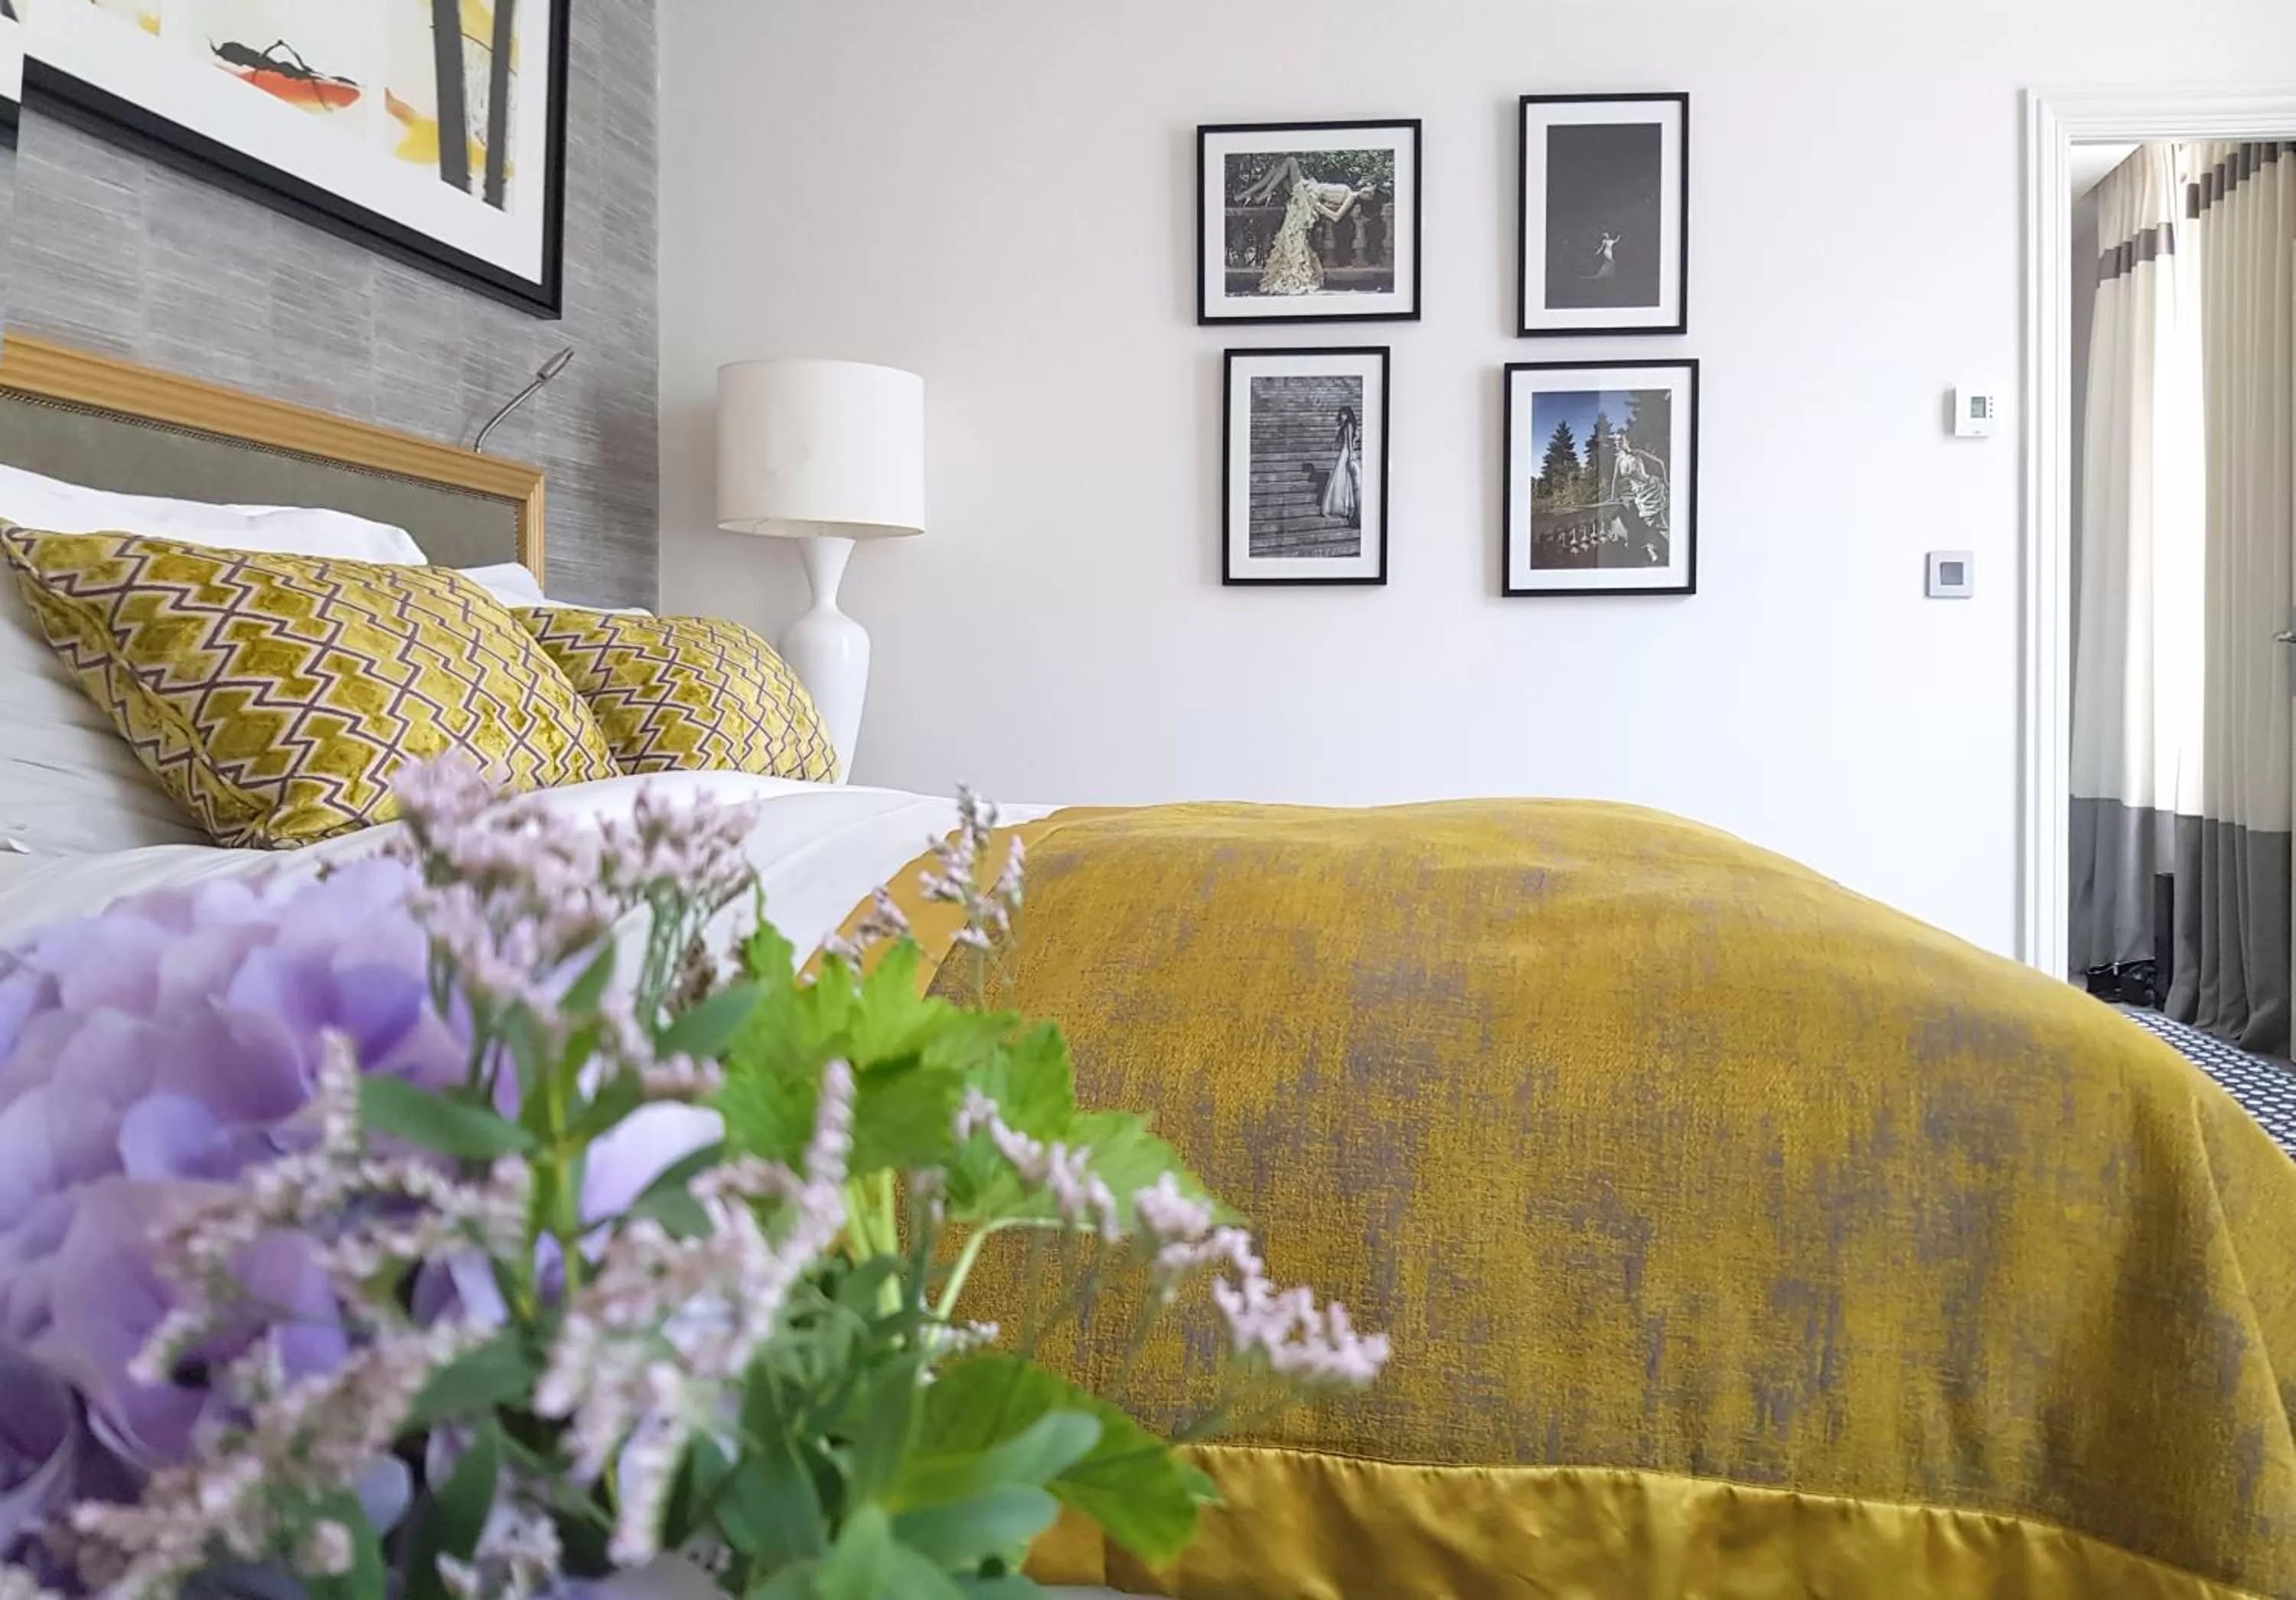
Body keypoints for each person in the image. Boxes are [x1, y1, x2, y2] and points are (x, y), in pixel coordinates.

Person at [1241, 156, 1368, 296]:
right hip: (1308, 189)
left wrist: (1318, 206)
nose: (1368, 192)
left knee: (1290, 161)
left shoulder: (1351, 197)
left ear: (1367, 200)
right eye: (1369, 189)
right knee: (1280, 166)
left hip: (1307, 197)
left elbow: (1335, 217)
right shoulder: (1349, 190)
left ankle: (1261, 195)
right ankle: (1249, 194)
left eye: (1370, 195)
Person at [1322, 405, 1362, 527]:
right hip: (1347, 452)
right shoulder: (1348, 426)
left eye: (1344, 414)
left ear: (1348, 415)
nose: (1342, 416)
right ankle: (1347, 506)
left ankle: (1346, 506)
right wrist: (1351, 455)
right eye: (1341, 414)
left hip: (1346, 453)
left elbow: (1349, 443)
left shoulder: (1348, 425)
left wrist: (1350, 456)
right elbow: (1349, 442)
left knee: (1345, 479)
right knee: (1345, 479)